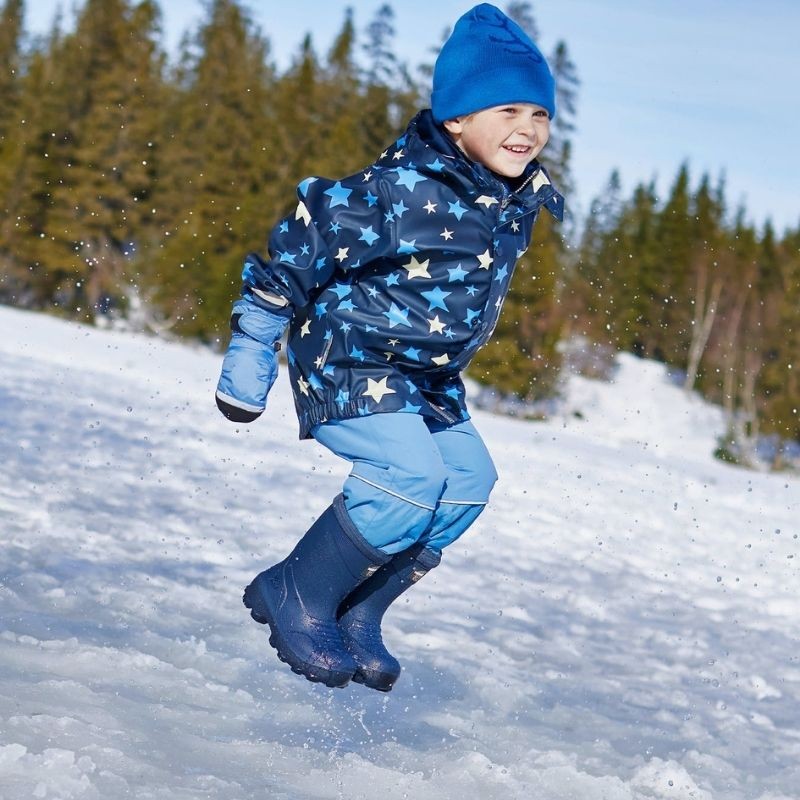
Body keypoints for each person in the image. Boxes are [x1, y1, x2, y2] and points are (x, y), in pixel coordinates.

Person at [215, 3, 563, 691]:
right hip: (351, 358)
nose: (527, 129)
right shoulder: (402, 191)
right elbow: (309, 232)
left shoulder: (510, 200)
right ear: (457, 118)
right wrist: (256, 337)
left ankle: (356, 611)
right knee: (409, 480)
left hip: (423, 377)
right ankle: (298, 590)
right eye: (508, 110)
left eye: (540, 115)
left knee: (465, 485)